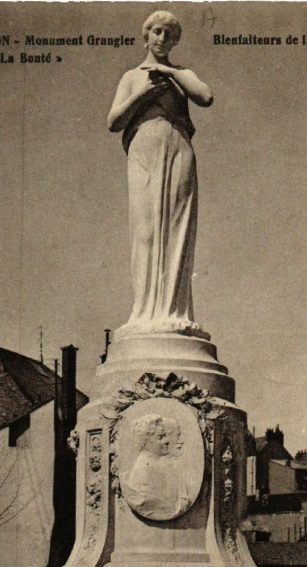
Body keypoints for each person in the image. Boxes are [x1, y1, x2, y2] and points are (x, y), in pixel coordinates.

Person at [107, 11, 213, 335]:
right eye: (157, 31)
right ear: (147, 35)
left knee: (177, 229)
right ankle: (143, 312)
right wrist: (144, 94)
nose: (163, 39)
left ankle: (174, 311)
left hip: (179, 149)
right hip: (144, 151)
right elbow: (114, 121)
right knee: (146, 231)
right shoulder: (131, 77)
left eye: (169, 34)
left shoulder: (181, 74)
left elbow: (205, 96)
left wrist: (169, 73)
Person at [121, 414, 191, 520]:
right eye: (160, 437)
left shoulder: (161, 465)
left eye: (165, 436)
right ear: (145, 442)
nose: (167, 441)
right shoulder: (143, 470)